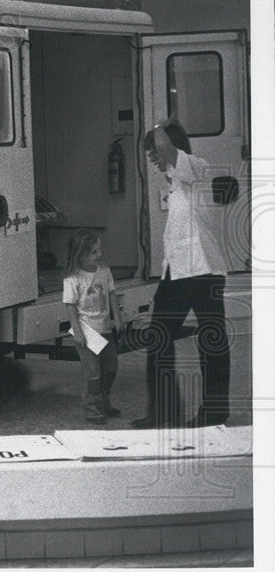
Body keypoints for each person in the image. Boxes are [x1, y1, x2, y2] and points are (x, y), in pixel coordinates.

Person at [132, 119, 230, 428]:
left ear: (170, 147)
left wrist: (159, 124)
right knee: (159, 338)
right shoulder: (175, 185)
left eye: (153, 151)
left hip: (203, 270)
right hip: (177, 273)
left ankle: (214, 412)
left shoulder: (194, 168)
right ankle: (164, 412)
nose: (151, 157)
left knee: (212, 342)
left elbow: (164, 145)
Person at [63, 230, 124, 424]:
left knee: (111, 368)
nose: (99, 255)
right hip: (87, 331)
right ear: (80, 255)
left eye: (100, 250)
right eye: (94, 252)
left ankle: (103, 400)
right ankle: (92, 408)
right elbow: (70, 306)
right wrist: (78, 332)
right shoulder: (73, 279)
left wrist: (118, 318)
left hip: (105, 328)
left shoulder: (104, 272)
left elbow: (112, 294)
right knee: (93, 373)